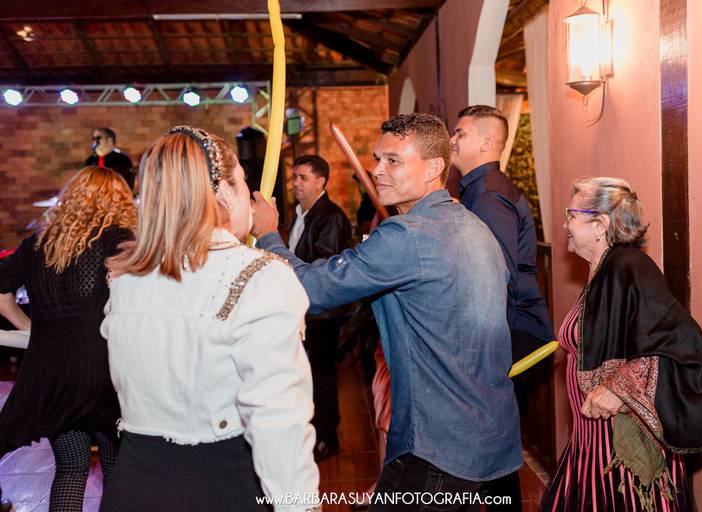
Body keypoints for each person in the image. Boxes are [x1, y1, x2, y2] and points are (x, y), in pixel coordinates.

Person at [252, 113, 522, 511]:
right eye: (377, 159)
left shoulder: (407, 236)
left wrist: (268, 236)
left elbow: (311, 287)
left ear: (433, 168)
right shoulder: (474, 226)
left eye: (393, 161)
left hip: (436, 444)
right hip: (488, 436)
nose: (378, 170)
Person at [100, 126, 319, 511]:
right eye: (243, 182)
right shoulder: (260, 276)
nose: (250, 197)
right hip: (220, 485)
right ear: (224, 193)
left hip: (131, 487)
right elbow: (278, 420)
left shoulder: (125, 279)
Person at [542, 177, 702, 511]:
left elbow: (682, 343)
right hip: (591, 440)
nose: (564, 225)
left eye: (571, 215)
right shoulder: (603, 271)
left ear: (600, 224)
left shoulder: (630, 266)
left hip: (620, 448)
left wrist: (617, 388)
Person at [0, 166, 135, 512]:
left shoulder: (39, 245)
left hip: (52, 375)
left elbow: (1, 294)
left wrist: (31, 327)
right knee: (117, 467)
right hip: (104, 372)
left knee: (71, 469)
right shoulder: (118, 240)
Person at [451, 105, 554, 510]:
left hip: (509, 330)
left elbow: (494, 275)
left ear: (486, 143)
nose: (452, 140)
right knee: (490, 441)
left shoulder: (489, 193)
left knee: (489, 441)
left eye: (460, 133)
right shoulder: (480, 188)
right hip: (504, 328)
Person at [287, 154, 352, 461]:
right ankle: (308, 430)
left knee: (321, 374)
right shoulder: (299, 213)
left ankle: (327, 437)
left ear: (321, 181)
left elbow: (322, 268)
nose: (296, 183)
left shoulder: (331, 217)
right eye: (294, 177)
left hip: (323, 311)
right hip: (303, 306)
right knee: (305, 372)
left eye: (303, 177)